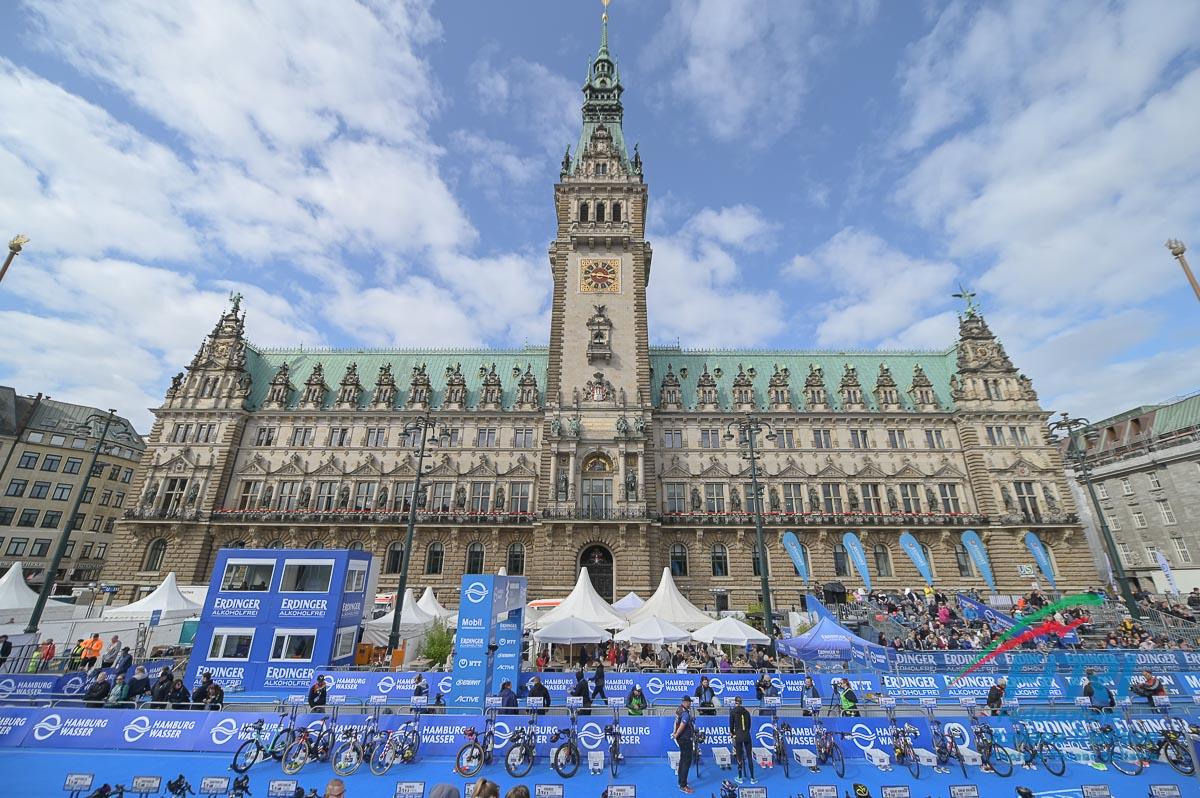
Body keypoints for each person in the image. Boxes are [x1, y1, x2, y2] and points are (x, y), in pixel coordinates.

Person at [729, 695, 755, 785]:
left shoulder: (732, 712)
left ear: (735, 702)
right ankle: (752, 778)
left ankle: (740, 777)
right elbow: (749, 725)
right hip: (747, 735)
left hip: (738, 736)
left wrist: (732, 733)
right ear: (742, 703)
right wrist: (746, 731)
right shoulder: (747, 712)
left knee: (739, 756)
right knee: (749, 756)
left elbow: (731, 726)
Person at [673, 695, 696, 793]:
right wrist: (676, 734)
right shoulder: (685, 713)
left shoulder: (679, 709)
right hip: (685, 739)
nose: (690, 704)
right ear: (685, 702)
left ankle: (680, 781)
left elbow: (675, 722)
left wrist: (675, 733)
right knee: (686, 762)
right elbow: (682, 725)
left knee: (682, 760)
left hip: (681, 739)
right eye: (689, 702)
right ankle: (683, 785)